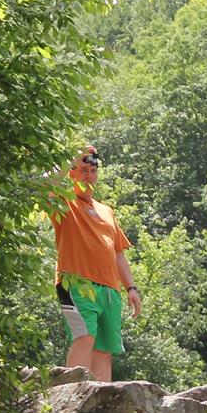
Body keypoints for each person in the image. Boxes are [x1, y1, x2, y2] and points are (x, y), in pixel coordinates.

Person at [44, 144, 140, 381]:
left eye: (93, 171)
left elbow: (118, 253)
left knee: (104, 351)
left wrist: (131, 287)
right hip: (74, 284)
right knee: (84, 337)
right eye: (83, 170)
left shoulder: (106, 211)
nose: (89, 175)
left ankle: (101, 399)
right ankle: (71, 393)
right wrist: (72, 157)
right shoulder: (64, 203)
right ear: (72, 174)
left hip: (109, 289)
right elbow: (44, 184)